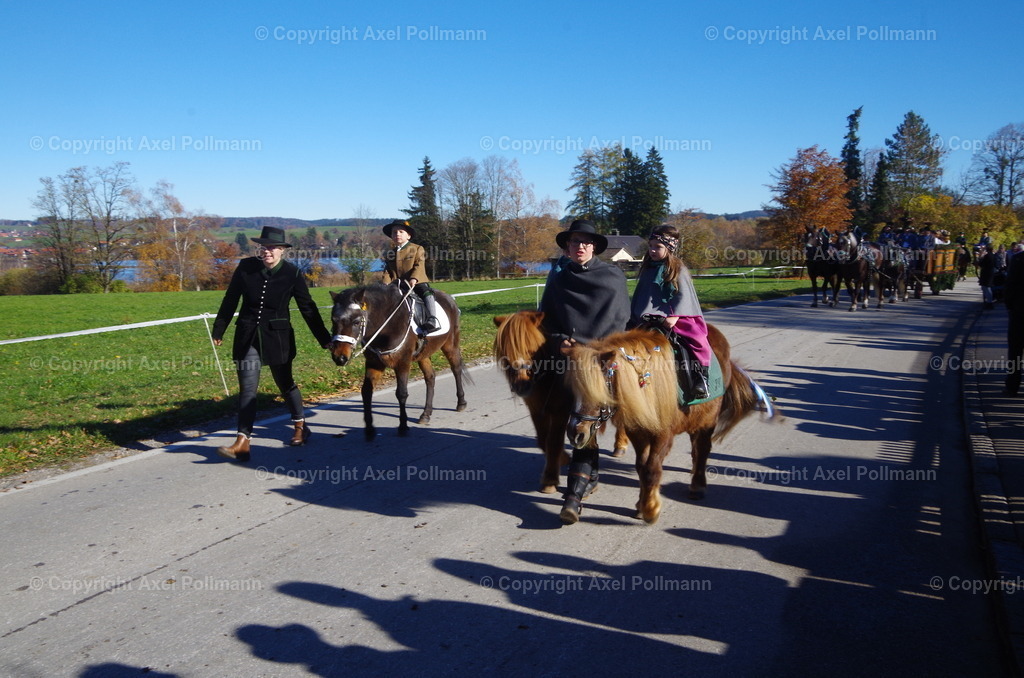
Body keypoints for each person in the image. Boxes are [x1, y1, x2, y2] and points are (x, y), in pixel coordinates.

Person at [211, 226, 333, 462]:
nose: (267, 252)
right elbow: (231, 299)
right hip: (247, 336)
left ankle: (300, 426)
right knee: (247, 389)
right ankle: (243, 441)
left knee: (285, 384)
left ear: (282, 251)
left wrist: (324, 337)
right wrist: (220, 328)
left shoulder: (292, 274)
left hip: (278, 337)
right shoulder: (246, 268)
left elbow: (307, 307)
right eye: (263, 247)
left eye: (272, 248)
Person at [538, 219, 630, 524]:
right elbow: (546, 317)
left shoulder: (612, 275)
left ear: (594, 247)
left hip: (601, 355)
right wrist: (556, 338)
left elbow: (620, 319)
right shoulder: (558, 276)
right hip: (566, 355)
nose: (580, 247)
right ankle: (581, 482)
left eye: (586, 242)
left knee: (592, 415)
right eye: (575, 242)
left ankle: (575, 494)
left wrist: (594, 347)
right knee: (549, 397)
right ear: (567, 246)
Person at [631, 224, 712, 399]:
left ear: (669, 248)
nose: (652, 250)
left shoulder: (678, 269)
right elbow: (641, 296)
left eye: (658, 247)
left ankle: (701, 378)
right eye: (650, 246)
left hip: (675, 317)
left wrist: (674, 315)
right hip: (647, 318)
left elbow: (684, 296)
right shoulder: (647, 270)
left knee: (696, 340)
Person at [381, 219, 439, 333]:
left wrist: (414, 278)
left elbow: (419, 264)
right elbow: (387, 270)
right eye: (394, 232)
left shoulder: (417, 248)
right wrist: (385, 283)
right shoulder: (390, 253)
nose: (397, 234)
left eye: (401, 231)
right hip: (397, 284)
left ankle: (432, 319)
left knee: (426, 292)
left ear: (408, 235)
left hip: (416, 282)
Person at [1005, 248, 1024, 396]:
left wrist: (1010, 305)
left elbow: (1010, 283)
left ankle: (1012, 386)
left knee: (1015, 352)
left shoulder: (1018, 259)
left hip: (1020, 311)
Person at [978, 245, 996, 309]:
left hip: (986, 273)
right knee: (987, 287)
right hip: (991, 273)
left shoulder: (987, 256)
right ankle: (989, 301)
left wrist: (981, 257)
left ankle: (989, 302)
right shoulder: (994, 255)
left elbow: (981, 264)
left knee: (987, 288)